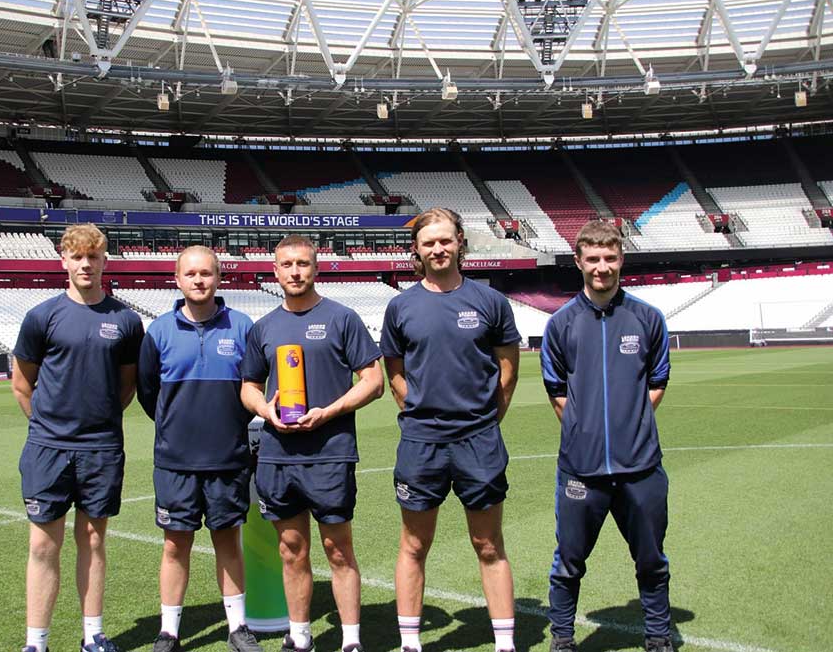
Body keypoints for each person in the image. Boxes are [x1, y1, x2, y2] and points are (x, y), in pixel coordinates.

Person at [380, 208, 522, 652]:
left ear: (460, 241)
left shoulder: (490, 301)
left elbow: (507, 373)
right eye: (429, 243)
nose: (438, 249)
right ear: (417, 250)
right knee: (414, 543)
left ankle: (505, 643)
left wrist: (484, 420)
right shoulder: (400, 306)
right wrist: (421, 412)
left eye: (445, 240)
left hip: (479, 440)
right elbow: (395, 375)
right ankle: (410, 642)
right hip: (421, 443)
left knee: (488, 543)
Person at [240, 235, 384, 652]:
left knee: (338, 549)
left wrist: (329, 411)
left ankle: (351, 640)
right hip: (278, 455)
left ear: (316, 268)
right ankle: (299, 636)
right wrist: (266, 411)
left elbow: (373, 381)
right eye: (287, 265)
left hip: (330, 452)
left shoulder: (342, 318)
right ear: (275, 271)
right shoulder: (264, 327)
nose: (295, 271)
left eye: (303, 263)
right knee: (291, 549)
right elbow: (248, 387)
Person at [540, 220, 673, 652]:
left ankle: (658, 635)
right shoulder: (561, 323)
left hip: (641, 468)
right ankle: (563, 638)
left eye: (610, 258)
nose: (602, 267)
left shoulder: (648, 319)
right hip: (581, 469)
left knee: (651, 560)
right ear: (579, 262)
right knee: (569, 562)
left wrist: (628, 425)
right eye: (593, 259)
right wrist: (587, 430)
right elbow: (556, 391)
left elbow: (657, 382)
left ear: (621, 260)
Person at [11, 224, 145, 652]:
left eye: (93, 256)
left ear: (105, 261)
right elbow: (22, 385)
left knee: (93, 539)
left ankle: (93, 636)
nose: (86, 264)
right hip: (48, 448)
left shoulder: (125, 321)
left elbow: (126, 386)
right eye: (77, 256)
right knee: (42, 544)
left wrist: (97, 422)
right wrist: (47, 427)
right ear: (63, 261)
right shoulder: (41, 316)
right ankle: (37, 643)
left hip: (100, 449)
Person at [136, 246, 262, 652]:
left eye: (206, 273)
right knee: (176, 544)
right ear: (177, 279)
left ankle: (237, 628)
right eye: (190, 273)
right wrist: (176, 427)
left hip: (228, 458)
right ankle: (169, 631)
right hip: (175, 460)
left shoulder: (242, 327)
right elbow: (148, 393)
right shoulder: (158, 332)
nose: (199, 280)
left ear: (218, 278)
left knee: (228, 540)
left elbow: (255, 386)